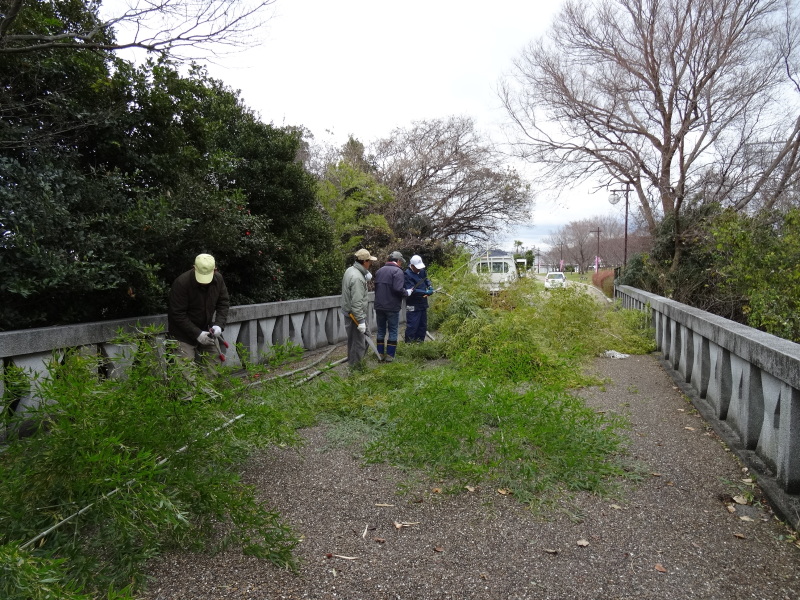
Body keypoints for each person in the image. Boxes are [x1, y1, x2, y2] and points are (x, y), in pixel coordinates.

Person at [168, 253, 230, 367]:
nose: (204, 282)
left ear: (215, 270)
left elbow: (223, 303)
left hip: (207, 329)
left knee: (214, 365)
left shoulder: (218, 280)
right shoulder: (181, 283)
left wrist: (218, 325)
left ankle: (208, 384)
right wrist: (197, 333)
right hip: (182, 334)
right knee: (185, 373)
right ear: (194, 268)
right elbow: (177, 313)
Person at [341, 248, 376, 368]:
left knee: (358, 341)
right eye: (369, 261)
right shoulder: (357, 278)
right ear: (364, 262)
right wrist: (361, 321)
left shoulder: (351, 270)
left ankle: (354, 365)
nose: (371, 264)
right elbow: (356, 302)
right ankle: (356, 369)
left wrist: (364, 274)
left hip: (351, 313)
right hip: (355, 315)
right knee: (360, 343)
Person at [373, 251, 411, 362]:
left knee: (380, 330)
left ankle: (379, 354)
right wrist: (406, 292)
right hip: (392, 307)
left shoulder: (379, 271)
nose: (401, 264)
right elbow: (398, 289)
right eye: (401, 262)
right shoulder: (397, 272)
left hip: (379, 306)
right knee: (393, 330)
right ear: (398, 261)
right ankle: (390, 356)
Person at [404, 254, 434, 343]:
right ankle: (409, 345)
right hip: (412, 303)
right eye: (417, 267)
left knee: (422, 325)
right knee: (412, 325)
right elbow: (411, 290)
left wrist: (430, 286)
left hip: (422, 303)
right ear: (412, 266)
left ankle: (420, 343)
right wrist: (425, 292)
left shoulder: (422, 271)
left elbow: (426, 279)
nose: (419, 269)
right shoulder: (407, 275)